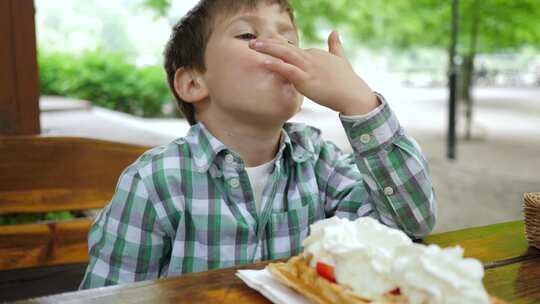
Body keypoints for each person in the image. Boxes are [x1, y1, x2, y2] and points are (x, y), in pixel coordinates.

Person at [80, 0, 436, 289]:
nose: (281, 48)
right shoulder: (155, 182)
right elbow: (107, 297)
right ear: (192, 83)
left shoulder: (319, 161)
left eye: (290, 40)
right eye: (249, 34)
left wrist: (361, 104)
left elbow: (410, 224)